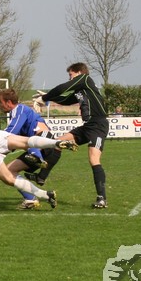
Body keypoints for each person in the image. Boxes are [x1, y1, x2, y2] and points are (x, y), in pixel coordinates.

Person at [40, 63, 111, 209]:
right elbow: (65, 99)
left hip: (98, 125)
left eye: (71, 75)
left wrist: (45, 97)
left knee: (93, 159)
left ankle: (102, 199)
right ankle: (41, 176)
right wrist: (47, 98)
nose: (70, 78)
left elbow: (63, 88)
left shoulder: (85, 79)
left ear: (79, 73)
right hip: (88, 126)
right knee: (57, 143)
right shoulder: (81, 90)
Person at [0, 88, 74, 210]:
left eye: (0, 102)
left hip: (43, 141)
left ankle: (37, 157)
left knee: (32, 141)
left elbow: (11, 132)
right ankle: (31, 199)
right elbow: (14, 141)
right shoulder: (17, 113)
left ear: (8, 102)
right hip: (43, 147)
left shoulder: (19, 109)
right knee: (8, 171)